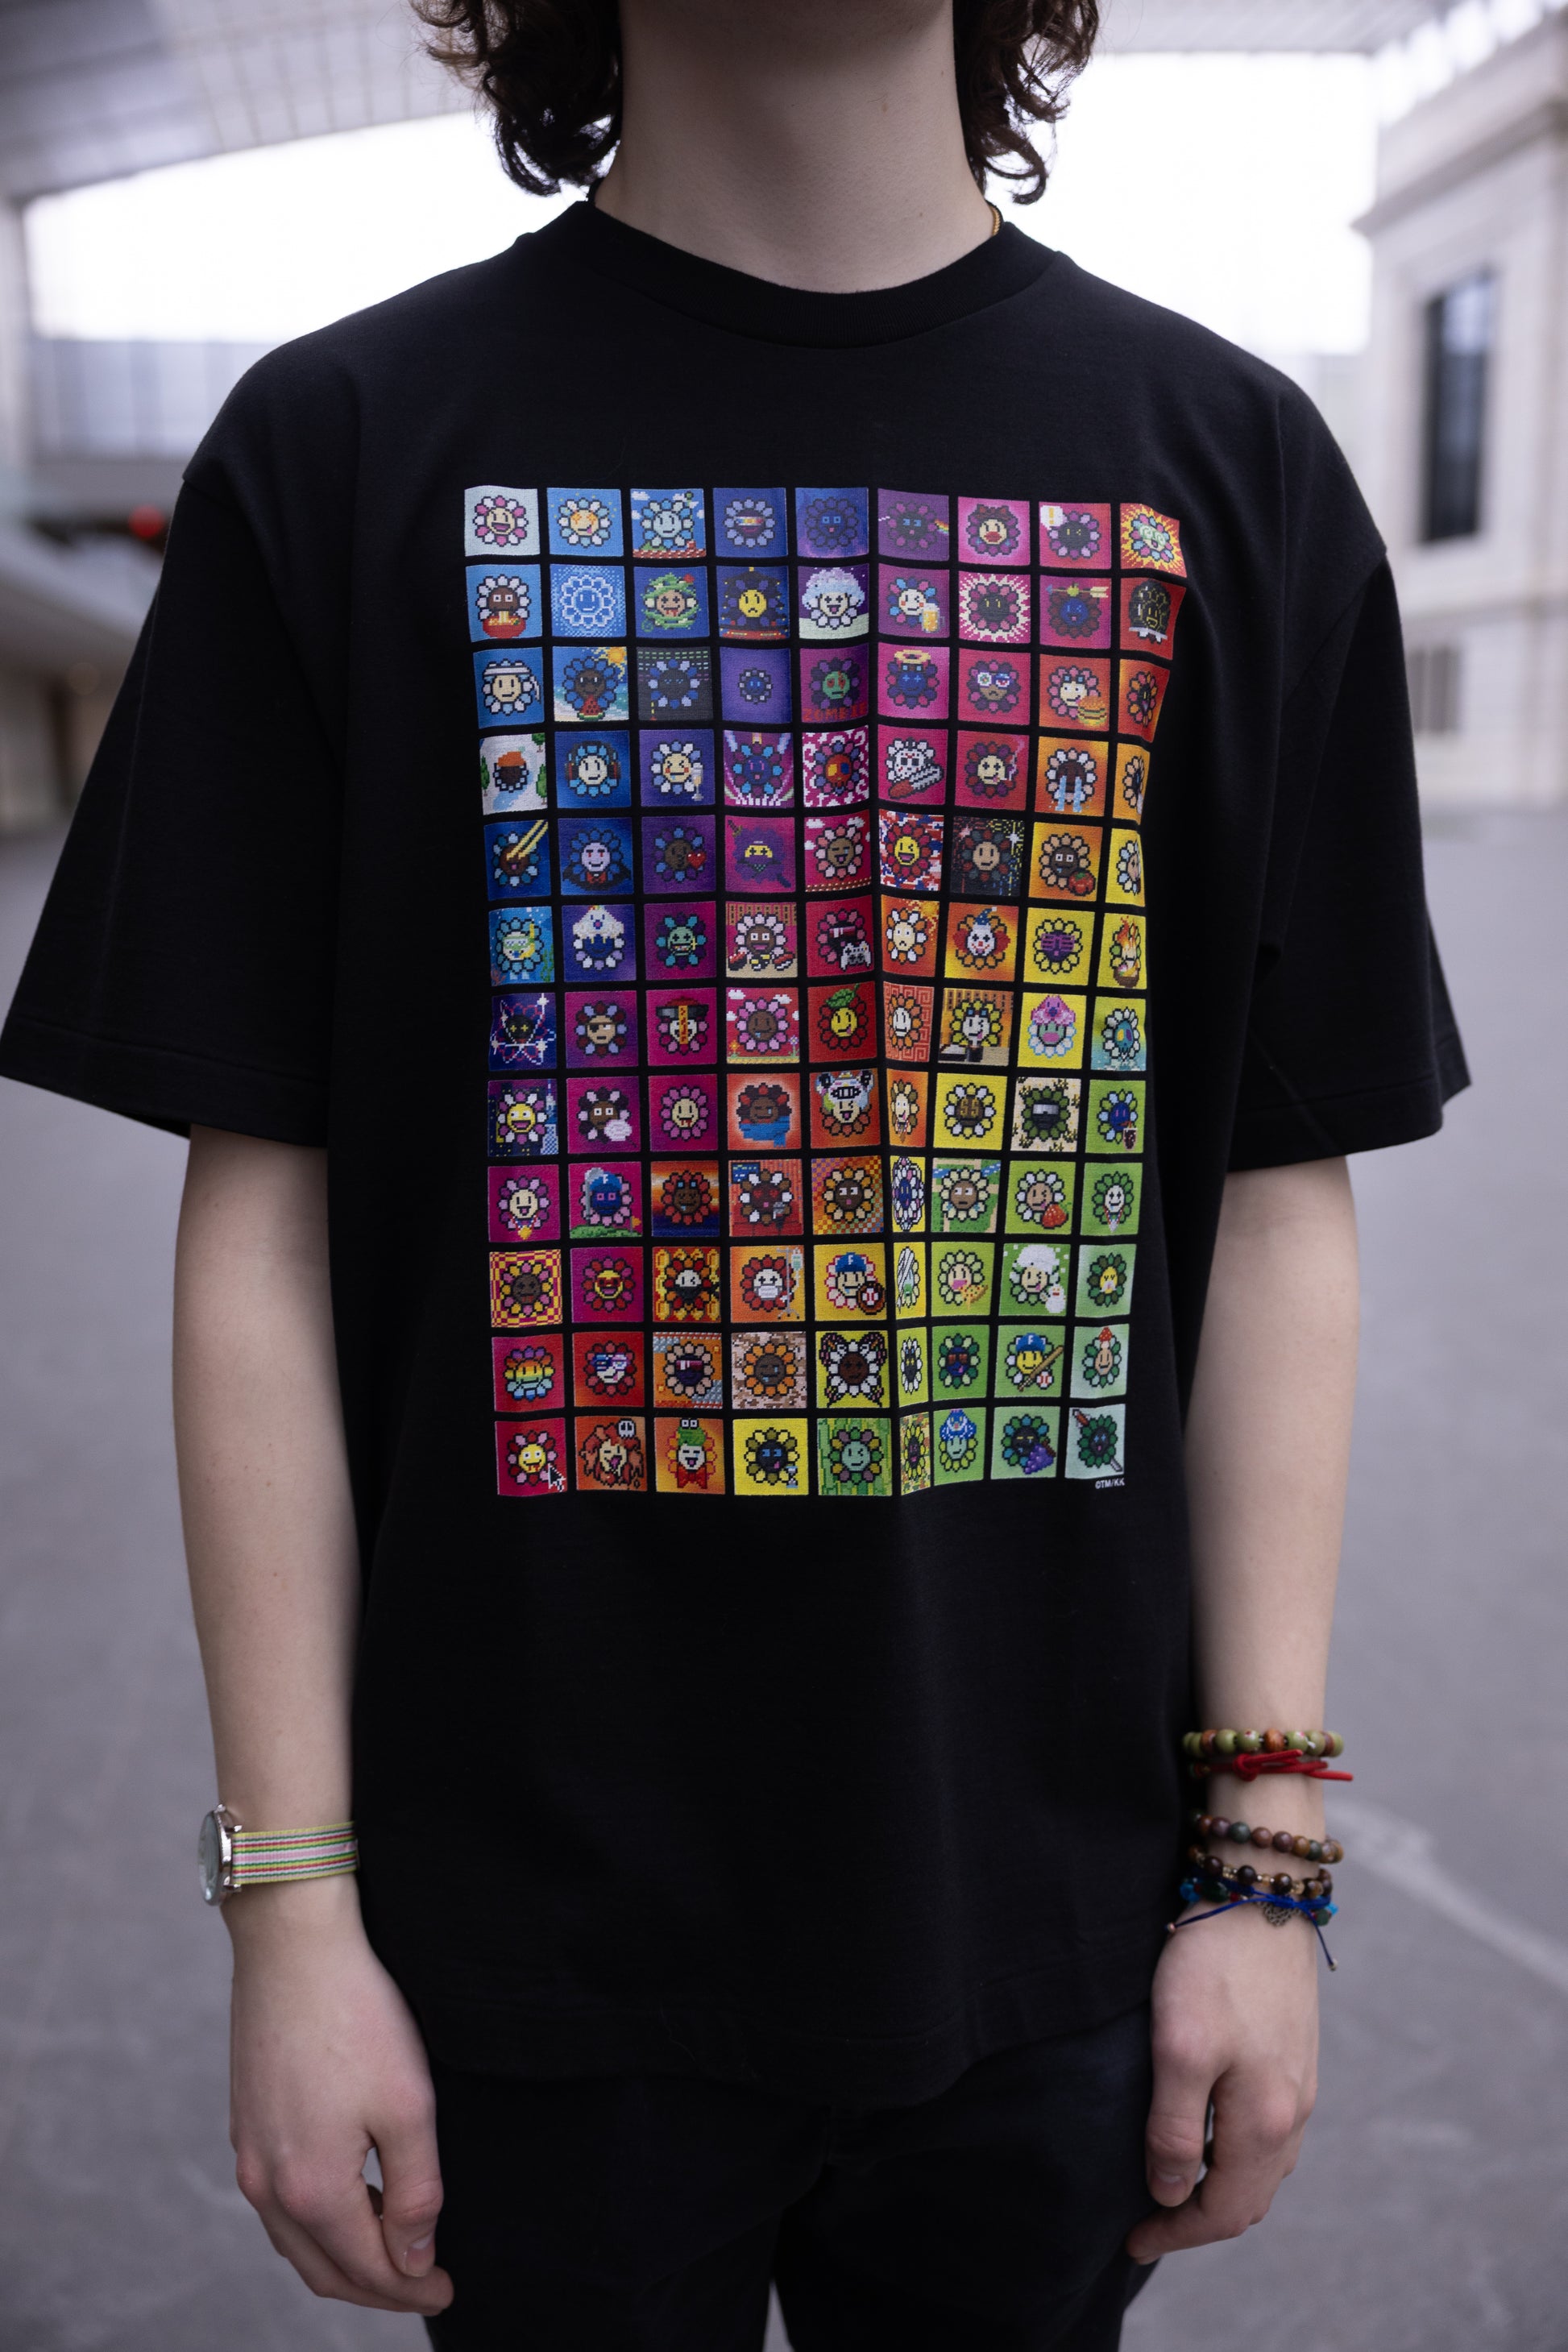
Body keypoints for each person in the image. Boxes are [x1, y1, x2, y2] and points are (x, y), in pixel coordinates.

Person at [0, 2, 1468, 2343]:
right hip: (515, 1953)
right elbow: (259, 1225)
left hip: (1059, 1928)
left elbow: (1276, 1195)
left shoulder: (1230, 463)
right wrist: (293, 1906)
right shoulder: (345, 446)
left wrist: (1261, 1866)